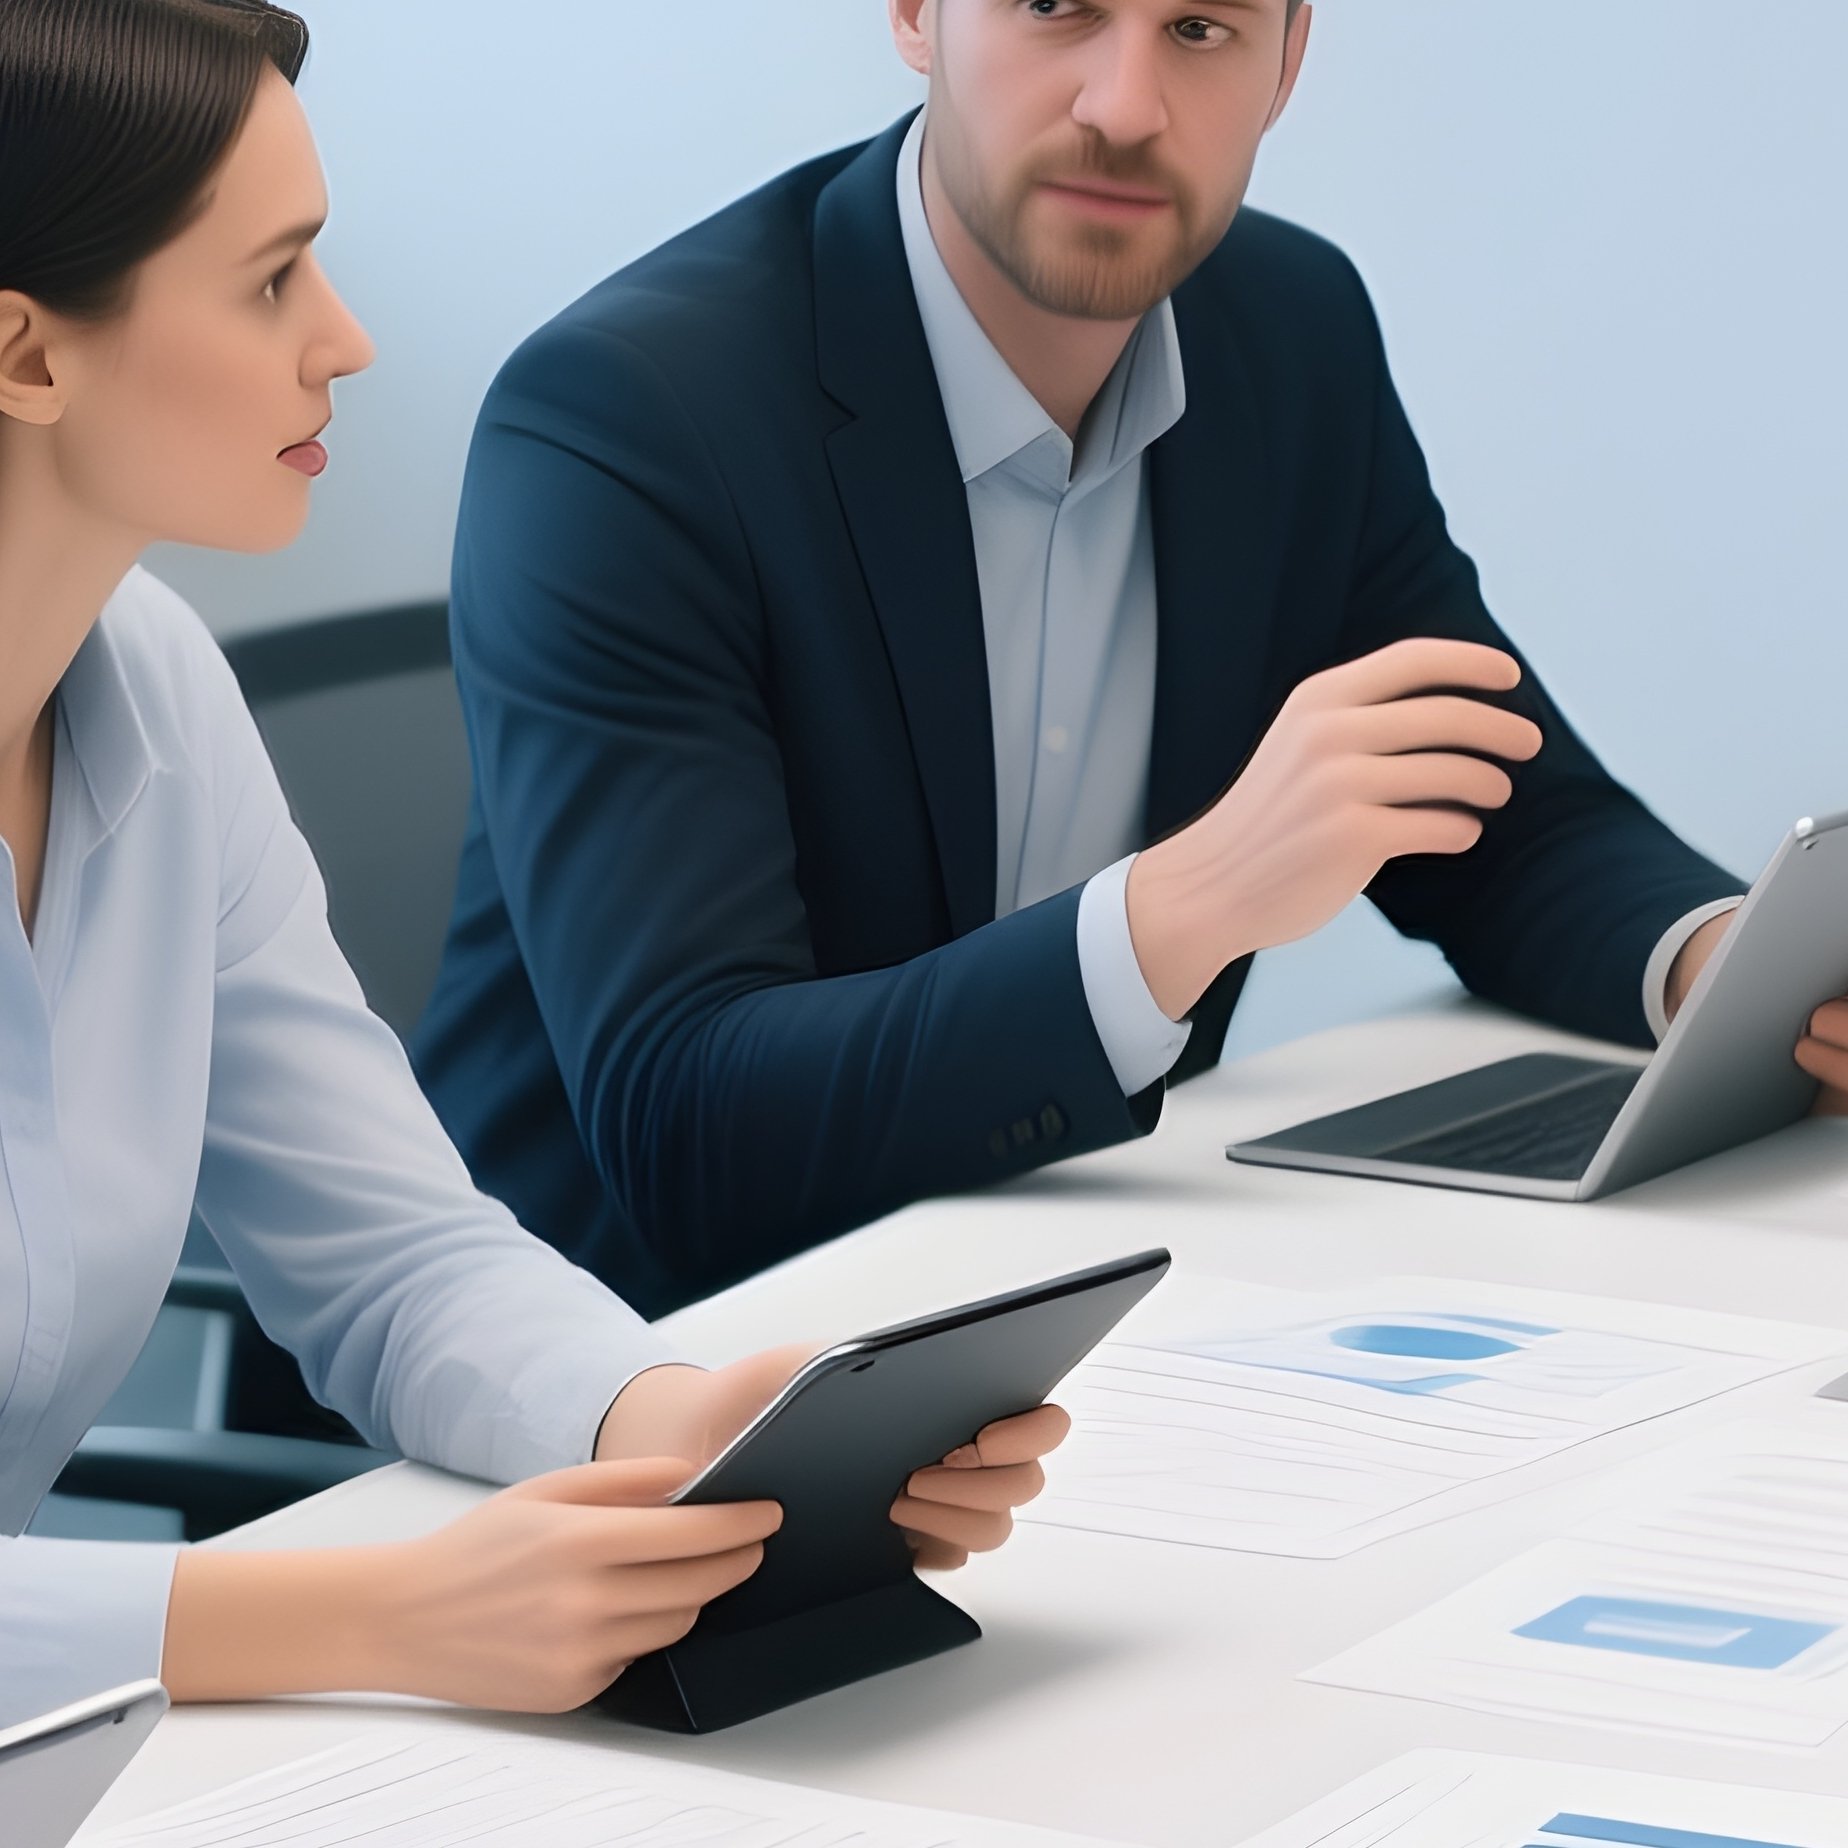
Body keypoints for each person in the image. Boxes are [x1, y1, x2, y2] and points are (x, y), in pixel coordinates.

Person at [415, 0, 1848, 1320]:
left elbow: (1492, 812)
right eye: (1059, 8)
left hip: (1067, 1304)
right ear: (918, 15)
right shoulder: (632, 420)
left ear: (1288, 66)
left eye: (1203, 29)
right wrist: (1189, 905)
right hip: (629, 1385)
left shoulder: (1291, 335)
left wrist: (1737, 981)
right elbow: (688, 1121)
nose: (1126, 103)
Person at [0, 0, 1068, 1731]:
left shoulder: (161, 692)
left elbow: (394, 1259)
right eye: (272, 282)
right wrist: (369, 1613)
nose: (342, 342)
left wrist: (684, 1419)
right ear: (31, 356)